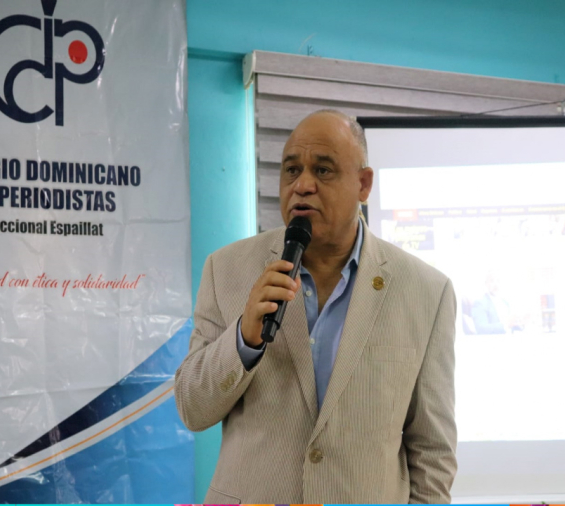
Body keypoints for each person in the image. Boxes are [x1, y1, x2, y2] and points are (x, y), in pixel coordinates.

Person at [174, 109, 457, 504]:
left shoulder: (426, 291)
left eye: (323, 170)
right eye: (292, 170)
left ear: (363, 184)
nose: (303, 185)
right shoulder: (226, 269)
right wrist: (243, 339)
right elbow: (192, 408)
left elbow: (432, 451)